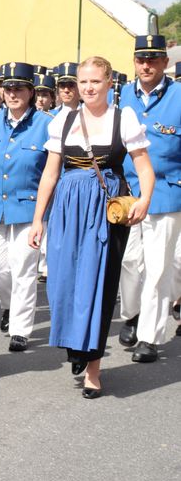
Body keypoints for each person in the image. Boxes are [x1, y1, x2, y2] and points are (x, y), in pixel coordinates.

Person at [28, 56, 154, 399]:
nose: (88, 88)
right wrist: (39, 218)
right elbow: (51, 173)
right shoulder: (64, 119)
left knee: (98, 285)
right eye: (83, 82)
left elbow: (144, 167)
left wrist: (143, 199)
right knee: (63, 282)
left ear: (109, 83)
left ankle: (93, 367)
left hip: (106, 207)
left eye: (95, 81)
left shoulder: (122, 118)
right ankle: (76, 345)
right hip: (68, 207)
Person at [117, 34, 181, 362]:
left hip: (168, 192)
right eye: (141, 59)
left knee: (157, 268)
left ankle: (150, 337)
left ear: (165, 63)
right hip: (127, 195)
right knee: (129, 262)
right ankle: (131, 313)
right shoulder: (122, 94)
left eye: (154, 59)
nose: (146, 65)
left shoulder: (180, 95)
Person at [0, 63, 51, 351]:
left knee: (24, 268)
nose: (12, 94)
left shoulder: (46, 124)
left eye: (19, 88)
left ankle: (20, 329)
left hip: (28, 209)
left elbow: (52, 170)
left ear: (31, 92)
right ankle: (8, 305)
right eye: (8, 88)